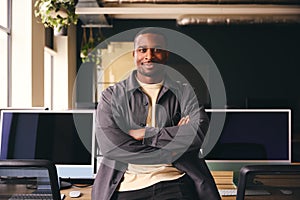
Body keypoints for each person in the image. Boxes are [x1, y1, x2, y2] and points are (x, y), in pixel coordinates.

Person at [92, 27, 221, 200]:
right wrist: (171, 148)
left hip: (174, 181)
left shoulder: (185, 93)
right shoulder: (112, 96)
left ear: (166, 55)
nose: (149, 56)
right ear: (134, 55)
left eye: (157, 50)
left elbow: (198, 134)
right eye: (142, 50)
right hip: (125, 186)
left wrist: (146, 133)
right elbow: (110, 146)